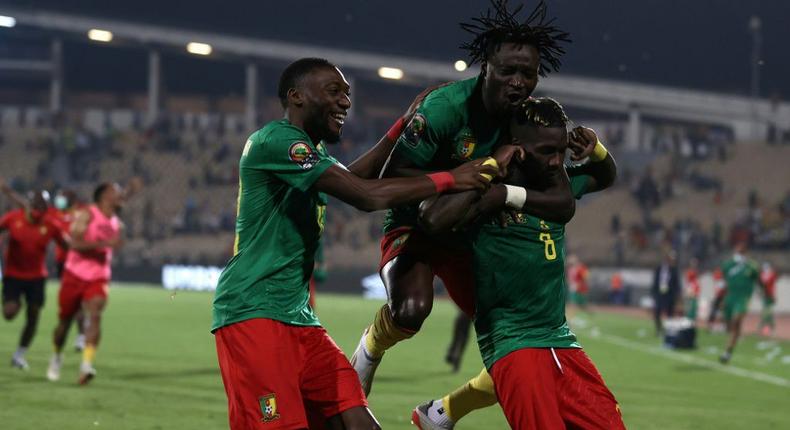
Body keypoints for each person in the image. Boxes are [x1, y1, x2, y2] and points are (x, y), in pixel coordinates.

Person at [210, 57, 497, 430]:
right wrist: (451, 178)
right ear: (296, 96)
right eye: (334, 91)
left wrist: (399, 129)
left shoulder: (311, 154)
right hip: (254, 315)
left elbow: (353, 177)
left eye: (347, 94)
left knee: (357, 421)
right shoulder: (276, 141)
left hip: (300, 319)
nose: (346, 102)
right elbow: (364, 195)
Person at [350, 0, 577, 396]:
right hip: (416, 223)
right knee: (411, 311)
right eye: (508, 71)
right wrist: (472, 173)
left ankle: (447, 411)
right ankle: (369, 349)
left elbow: (563, 187)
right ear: (485, 66)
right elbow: (395, 176)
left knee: (516, 333)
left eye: (528, 73)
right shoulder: (445, 108)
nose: (519, 83)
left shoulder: (526, 121)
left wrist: (594, 153)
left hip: (473, 229)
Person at [412, 97, 623, 430]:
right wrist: (490, 169)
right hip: (512, 341)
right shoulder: (485, 191)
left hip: (559, 339)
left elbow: (606, 175)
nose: (556, 161)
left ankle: (443, 412)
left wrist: (595, 147)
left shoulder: (557, 186)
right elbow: (435, 219)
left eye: (561, 150)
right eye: (547, 152)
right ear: (517, 148)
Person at [46, 183, 125, 384]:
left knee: (95, 315)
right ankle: (56, 356)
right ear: (104, 197)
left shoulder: (117, 223)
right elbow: (74, 244)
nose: (120, 196)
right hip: (74, 274)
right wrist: (104, 244)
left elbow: (116, 245)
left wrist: (112, 246)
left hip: (99, 276)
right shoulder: (86, 215)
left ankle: (86, 365)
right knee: (64, 323)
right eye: (116, 193)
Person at [0, 190, 68, 370]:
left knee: (34, 315)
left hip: (37, 277)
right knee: (9, 314)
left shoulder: (51, 225)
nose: (39, 209)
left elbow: (66, 245)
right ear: (29, 205)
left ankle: (19, 355)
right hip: (13, 275)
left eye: (43, 206)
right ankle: (18, 303)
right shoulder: (13, 219)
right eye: (36, 205)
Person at [719, 242, 762, 364]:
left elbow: (758, 280)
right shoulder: (727, 265)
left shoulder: (752, 266)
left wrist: (762, 294)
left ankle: (727, 352)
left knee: (736, 319)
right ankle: (729, 349)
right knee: (730, 327)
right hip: (730, 298)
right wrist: (721, 299)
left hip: (742, 298)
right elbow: (723, 282)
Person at [651, 250, 681, 336]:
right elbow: (655, 281)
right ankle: (658, 329)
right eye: (671, 259)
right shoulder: (659, 268)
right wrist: (653, 292)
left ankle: (668, 330)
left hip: (669, 294)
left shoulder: (674, 270)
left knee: (670, 313)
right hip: (659, 293)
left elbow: (677, 283)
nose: (672, 261)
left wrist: (677, 294)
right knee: (657, 311)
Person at [759, 262, 778, 336]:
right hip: (765, 296)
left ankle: (763, 327)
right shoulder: (762, 275)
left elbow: (769, 281)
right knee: (766, 312)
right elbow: (761, 284)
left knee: (768, 312)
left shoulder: (771, 274)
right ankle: (763, 328)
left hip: (770, 296)